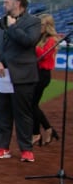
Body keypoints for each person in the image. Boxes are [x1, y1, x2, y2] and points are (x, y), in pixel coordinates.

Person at [0, 0, 43, 162]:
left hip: (23, 75)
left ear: (17, 3)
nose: (4, 5)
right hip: (2, 73)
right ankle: (3, 147)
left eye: (6, 2)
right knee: (2, 112)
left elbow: (29, 42)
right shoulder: (0, 22)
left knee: (23, 114)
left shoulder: (33, 22)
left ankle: (26, 149)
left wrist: (13, 27)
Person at [32, 14, 60, 146]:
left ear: (48, 26)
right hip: (36, 72)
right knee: (32, 104)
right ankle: (39, 132)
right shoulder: (40, 37)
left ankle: (45, 130)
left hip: (43, 74)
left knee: (32, 104)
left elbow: (44, 55)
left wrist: (33, 44)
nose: (39, 27)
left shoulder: (52, 39)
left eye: (42, 25)